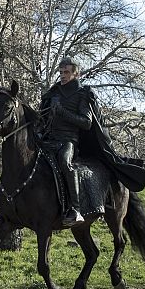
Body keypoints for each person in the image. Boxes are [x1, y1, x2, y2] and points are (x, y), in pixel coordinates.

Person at [39, 57, 91, 227]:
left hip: (69, 141)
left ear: (76, 73)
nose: (62, 75)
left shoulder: (82, 93)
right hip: (49, 138)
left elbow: (86, 122)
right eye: (61, 72)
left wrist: (62, 112)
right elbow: (43, 115)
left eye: (66, 72)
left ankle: (76, 210)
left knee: (64, 162)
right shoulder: (54, 91)